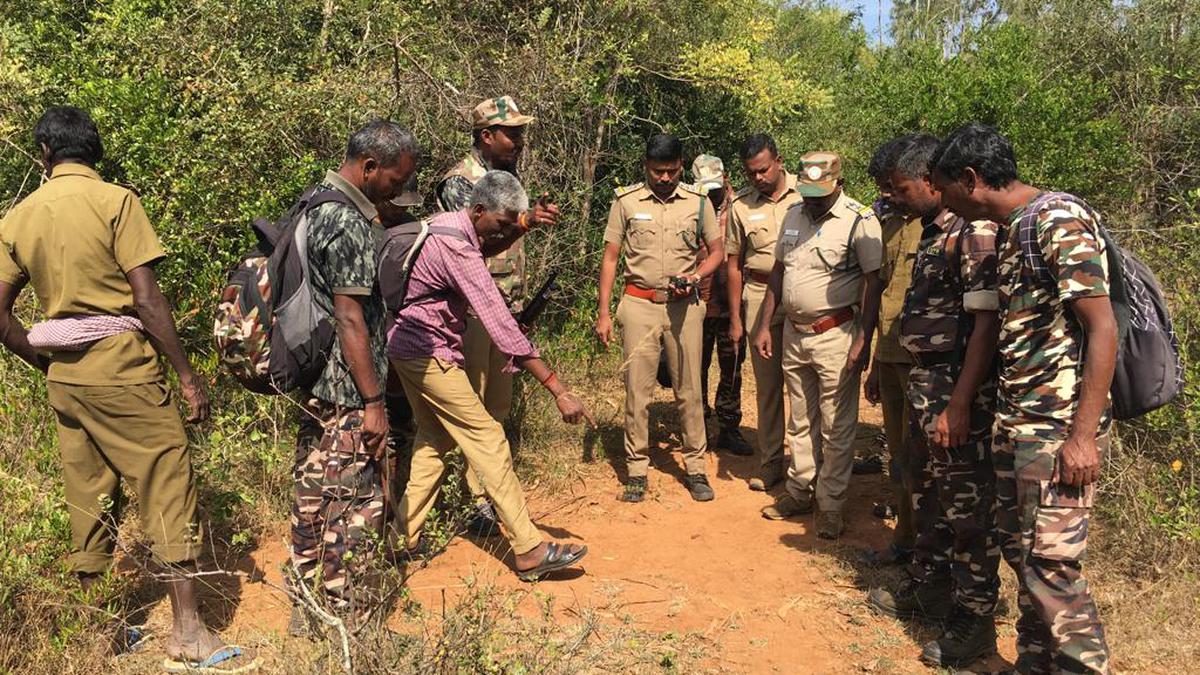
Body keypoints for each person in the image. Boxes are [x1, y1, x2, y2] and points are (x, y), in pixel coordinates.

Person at [0, 107, 257, 672]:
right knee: (166, 475)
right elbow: (146, 299)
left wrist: (44, 362)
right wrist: (186, 374)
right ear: (95, 152)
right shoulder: (116, 201)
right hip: (124, 368)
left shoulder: (18, 217)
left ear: (44, 154)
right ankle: (188, 632)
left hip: (66, 378)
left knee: (87, 491)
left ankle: (92, 629)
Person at [931, 123, 1115, 674]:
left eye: (947, 190)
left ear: (971, 178)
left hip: (1057, 430)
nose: (945, 202)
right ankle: (1036, 664)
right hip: (1020, 423)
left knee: (1053, 567)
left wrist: (1082, 437)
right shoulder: (1016, 229)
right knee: (1025, 558)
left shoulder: (1058, 220)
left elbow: (1102, 327)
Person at [388, 171, 591, 581]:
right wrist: (558, 388)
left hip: (408, 348)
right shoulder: (456, 247)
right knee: (487, 437)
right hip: (427, 352)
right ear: (478, 210)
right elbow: (500, 322)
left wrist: (522, 225)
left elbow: (493, 247)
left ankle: (399, 539)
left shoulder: (448, 225)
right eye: (501, 223)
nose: (503, 234)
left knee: (435, 440)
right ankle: (530, 549)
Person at [865, 134, 1002, 668]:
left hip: (956, 395)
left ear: (929, 180)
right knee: (927, 494)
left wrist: (960, 403)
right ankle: (929, 587)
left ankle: (974, 624)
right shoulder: (931, 230)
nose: (896, 198)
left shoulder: (971, 233)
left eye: (902, 189)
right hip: (928, 390)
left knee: (968, 513)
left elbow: (986, 323)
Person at [290, 119, 418, 623]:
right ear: (369, 167)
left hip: (314, 378)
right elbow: (350, 316)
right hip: (346, 389)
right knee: (357, 503)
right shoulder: (347, 222)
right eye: (393, 180)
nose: (397, 191)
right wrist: (372, 401)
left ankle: (306, 607)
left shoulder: (313, 201)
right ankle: (353, 621)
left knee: (313, 495)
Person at [435, 95, 560, 537]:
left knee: (497, 405)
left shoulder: (508, 178)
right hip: (470, 313)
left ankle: (489, 490)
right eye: (513, 132)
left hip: (504, 308)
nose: (520, 140)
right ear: (487, 135)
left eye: (521, 132)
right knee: (474, 406)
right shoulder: (460, 183)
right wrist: (525, 222)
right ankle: (471, 501)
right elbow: (466, 250)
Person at [753, 151, 883, 539]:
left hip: (836, 335)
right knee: (801, 420)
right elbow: (779, 272)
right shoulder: (794, 213)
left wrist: (864, 338)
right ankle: (799, 490)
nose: (811, 200)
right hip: (794, 334)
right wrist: (764, 325)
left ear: (838, 185)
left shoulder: (859, 221)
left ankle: (830, 505)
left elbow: (873, 284)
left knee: (835, 425)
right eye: (807, 192)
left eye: (819, 194)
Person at [595, 133, 725, 503]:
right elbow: (610, 257)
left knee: (690, 390)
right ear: (646, 167)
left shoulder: (699, 203)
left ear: (681, 167)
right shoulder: (626, 201)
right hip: (639, 304)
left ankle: (696, 467)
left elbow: (717, 252)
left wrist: (697, 276)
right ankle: (637, 468)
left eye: (671, 171)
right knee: (638, 390)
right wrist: (604, 313)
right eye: (657, 171)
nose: (665, 178)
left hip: (685, 307)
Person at [726, 133, 804, 491]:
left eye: (762, 170)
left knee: (805, 385)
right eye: (750, 173)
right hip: (758, 295)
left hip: (803, 293)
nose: (757, 178)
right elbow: (733, 263)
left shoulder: (808, 195)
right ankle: (771, 461)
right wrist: (737, 319)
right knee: (768, 386)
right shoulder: (741, 206)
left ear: (779, 160)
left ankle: (807, 466)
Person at [862, 136, 924, 564]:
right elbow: (880, 293)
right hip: (888, 355)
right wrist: (871, 362)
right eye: (885, 187)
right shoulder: (890, 225)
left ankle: (926, 548)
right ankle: (905, 539)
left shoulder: (943, 227)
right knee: (900, 456)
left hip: (923, 364)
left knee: (923, 462)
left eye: (894, 186)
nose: (888, 195)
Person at [691, 154, 751, 456]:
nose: (711, 194)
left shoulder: (741, 207)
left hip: (732, 306)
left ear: (725, 179)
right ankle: (698, 427)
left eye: (715, 188)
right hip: (697, 303)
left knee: (732, 367)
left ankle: (729, 427)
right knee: (694, 368)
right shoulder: (690, 205)